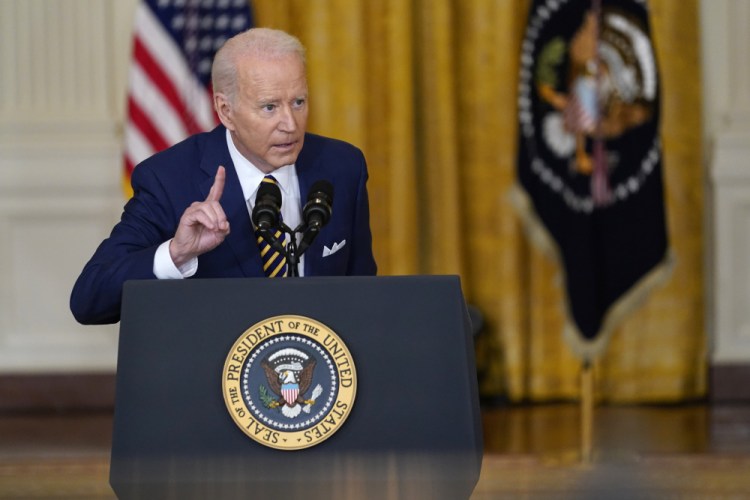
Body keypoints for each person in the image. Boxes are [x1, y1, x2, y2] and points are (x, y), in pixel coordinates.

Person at [70, 28, 377, 325]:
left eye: (298, 102)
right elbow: (89, 299)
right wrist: (176, 254)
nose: (290, 124)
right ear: (225, 111)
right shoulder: (169, 180)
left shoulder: (342, 167)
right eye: (269, 107)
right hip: (215, 372)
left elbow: (362, 294)